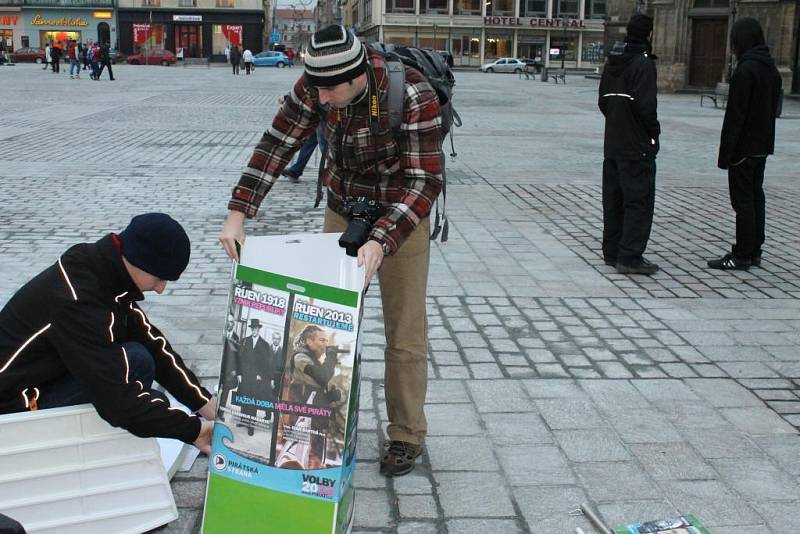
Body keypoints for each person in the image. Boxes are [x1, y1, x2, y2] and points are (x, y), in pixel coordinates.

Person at [219, 24, 443, 477]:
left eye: (330, 92)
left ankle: (405, 434)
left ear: (357, 76)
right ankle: (320, 423)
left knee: (404, 333)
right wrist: (238, 212)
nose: (320, 100)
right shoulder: (318, 84)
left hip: (404, 211)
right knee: (324, 324)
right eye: (315, 90)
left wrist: (382, 238)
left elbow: (425, 181)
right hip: (344, 210)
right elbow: (278, 142)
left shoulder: (413, 94)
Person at [0, 213, 216, 454]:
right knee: (148, 401)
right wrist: (193, 430)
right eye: (159, 278)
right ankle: (68, 449)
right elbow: (117, 404)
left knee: (140, 360)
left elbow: (153, 343)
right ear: (138, 260)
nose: (161, 288)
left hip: (43, 378)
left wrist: (205, 404)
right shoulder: (77, 301)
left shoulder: (100, 269)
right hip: (13, 407)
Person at [707, 18, 782, 271]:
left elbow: (735, 117)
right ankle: (754, 249)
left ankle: (741, 254)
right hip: (762, 146)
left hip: (743, 149)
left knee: (743, 202)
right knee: (755, 196)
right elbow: (775, 109)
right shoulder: (770, 69)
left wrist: (726, 154)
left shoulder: (745, 70)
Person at [598, 14, 660, 275]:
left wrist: (617, 122)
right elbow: (646, 107)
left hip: (613, 142)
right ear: (649, 34)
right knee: (638, 201)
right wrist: (653, 135)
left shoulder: (613, 62)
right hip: (636, 145)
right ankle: (630, 256)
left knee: (614, 199)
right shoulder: (643, 64)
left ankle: (612, 252)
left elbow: (603, 101)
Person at [235, 318, 273, 435]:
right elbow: (239, 359)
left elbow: (267, 363)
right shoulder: (244, 341)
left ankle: (251, 425)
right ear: (251, 329)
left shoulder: (265, 345)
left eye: (256, 328)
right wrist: (239, 374)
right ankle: (243, 420)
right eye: (252, 328)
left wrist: (260, 375)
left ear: (259, 329)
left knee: (253, 401)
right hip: (245, 376)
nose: (254, 330)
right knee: (244, 398)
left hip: (256, 378)